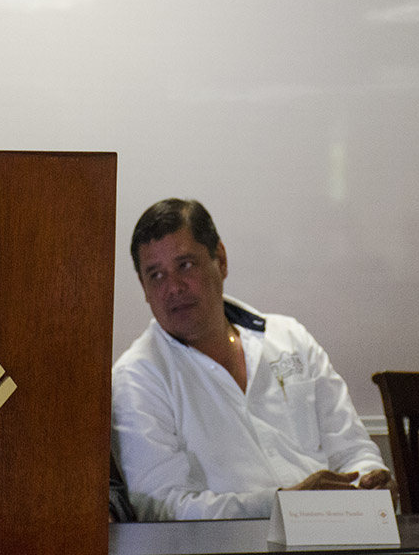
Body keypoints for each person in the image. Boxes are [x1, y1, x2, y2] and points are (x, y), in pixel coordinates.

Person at [111, 198, 393, 520]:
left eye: (185, 265)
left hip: (338, 537)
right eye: (156, 275)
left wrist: (371, 480)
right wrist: (284, 505)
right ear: (144, 288)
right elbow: (163, 508)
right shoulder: (137, 376)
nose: (173, 287)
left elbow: (353, 450)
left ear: (221, 259)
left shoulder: (290, 337)